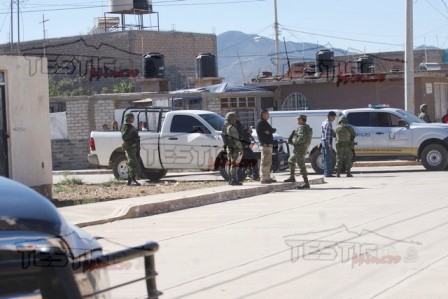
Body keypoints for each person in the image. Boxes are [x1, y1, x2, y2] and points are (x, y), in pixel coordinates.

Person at [284, 114, 313, 189]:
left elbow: (301, 139)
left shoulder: (302, 128)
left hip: (300, 149)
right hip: (301, 149)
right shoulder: (307, 127)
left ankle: (306, 183)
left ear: (302, 120)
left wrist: (292, 140)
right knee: (290, 160)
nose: (297, 120)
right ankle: (292, 177)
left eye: (298, 119)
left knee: (301, 166)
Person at [256, 109, 277, 184]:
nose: (269, 116)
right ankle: (264, 178)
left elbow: (270, 130)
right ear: (263, 114)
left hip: (268, 145)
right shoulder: (261, 123)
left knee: (268, 162)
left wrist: (270, 131)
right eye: (267, 114)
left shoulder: (264, 122)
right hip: (265, 145)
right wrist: (270, 131)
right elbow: (270, 130)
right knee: (265, 162)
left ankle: (267, 177)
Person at [120, 113, 141, 186]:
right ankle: (132, 180)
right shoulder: (125, 126)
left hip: (134, 147)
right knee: (132, 163)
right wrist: (131, 131)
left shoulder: (130, 126)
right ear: (128, 118)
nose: (133, 119)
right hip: (129, 147)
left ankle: (131, 180)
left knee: (133, 163)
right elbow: (124, 137)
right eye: (132, 117)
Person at [224, 112, 243, 185]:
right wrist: (240, 149)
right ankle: (233, 180)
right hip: (234, 148)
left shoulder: (227, 127)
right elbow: (236, 140)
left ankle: (230, 180)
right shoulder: (233, 128)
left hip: (229, 148)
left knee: (230, 164)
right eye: (234, 118)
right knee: (234, 164)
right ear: (232, 119)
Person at [321, 111, 337, 177]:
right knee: (328, 158)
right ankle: (328, 173)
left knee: (325, 158)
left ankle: (326, 172)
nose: (334, 119)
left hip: (323, 141)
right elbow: (327, 135)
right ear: (330, 116)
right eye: (334, 117)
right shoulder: (328, 124)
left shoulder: (324, 122)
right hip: (327, 142)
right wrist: (329, 144)